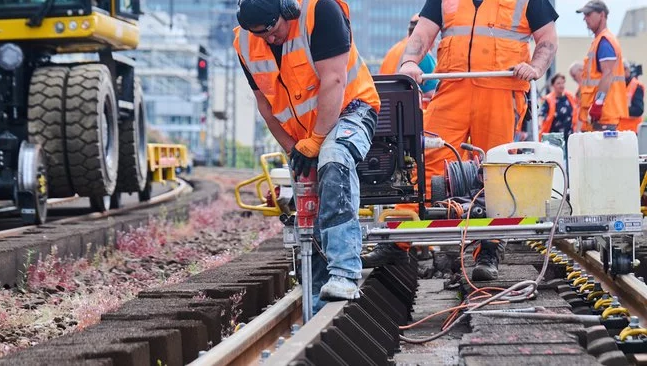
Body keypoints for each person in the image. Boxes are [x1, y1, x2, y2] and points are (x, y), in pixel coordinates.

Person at [362, 0, 559, 282]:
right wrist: (408, 62)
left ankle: (488, 251)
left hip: (500, 91)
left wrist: (536, 67)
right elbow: (423, 32)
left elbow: (547, 37)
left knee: (496, 173)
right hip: (453, 88)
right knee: (422, 160)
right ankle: (396, 241)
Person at [234, 0, 380, 308]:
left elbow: (335, 80)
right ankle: (316, 297)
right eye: (259, 34)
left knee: (335, 159)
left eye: (272, 31)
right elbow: (266, 106)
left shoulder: (321, 11)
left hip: (351, 111)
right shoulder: (245, 42)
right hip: (302, 137)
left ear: (286, 8)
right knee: (308, 204)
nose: (268, 40)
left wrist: (316, 141)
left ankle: (344, 272)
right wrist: (292, 148)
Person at [576, 0, 628, 132]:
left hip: (605, 115)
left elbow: (608, 74)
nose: (585, 18)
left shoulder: (605, 41)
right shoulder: (600, 41)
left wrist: (598, 104)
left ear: (602, 15)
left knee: (602, 152)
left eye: (588, 14)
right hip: (601, 116)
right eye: (584, 15)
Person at [379, 13, 439, 108]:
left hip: (389, 108)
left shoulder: (395, 50)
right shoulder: (421, 56)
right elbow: (432, 92)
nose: (435, 43)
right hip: (415, 113)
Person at [539, 73, 578, 142]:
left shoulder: (570, 97)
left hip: (569, 136)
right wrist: (539, 124)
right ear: (553, 85)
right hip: (553, 137)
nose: (561, 85)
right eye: (558, 83)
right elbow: (541, 115)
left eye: (563, 83)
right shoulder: (548, 99)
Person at [618, 60, 645, 133]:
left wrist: (617, 111)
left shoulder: (636, 86)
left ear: (626, 70)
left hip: (632, 131)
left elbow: (638, 110)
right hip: (618, 131)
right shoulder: (617, 85)